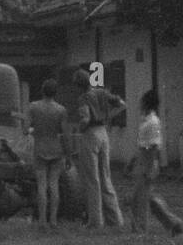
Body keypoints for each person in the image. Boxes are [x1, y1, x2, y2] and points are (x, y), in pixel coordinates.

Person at [126, 88, 183, 238]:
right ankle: (173, 223)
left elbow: (153, 147)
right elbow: (142, 144)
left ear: (146, 103)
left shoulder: (152, 122)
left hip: (147, 160)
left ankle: (140, 230)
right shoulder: (146, 121)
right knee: (149, 197)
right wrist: (133, 161)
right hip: (143, 158)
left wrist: (150, 166)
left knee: (139, 198)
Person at [73, 68, 125, 230]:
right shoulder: (102, 93)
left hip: (90, 134)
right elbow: (122, 104)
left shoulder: (83, 98)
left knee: (92, 179)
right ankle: (115, 219)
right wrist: (108, 116)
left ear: (78, 85)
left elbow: (86, 118)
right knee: (106, 177)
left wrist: (79, 128)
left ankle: (96, 221)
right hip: (104, 133)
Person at [26, 79, 71, 230]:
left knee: (41, 185)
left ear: (42, 90)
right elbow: (65, 134)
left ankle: (42, 221)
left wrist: (33, 130)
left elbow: (26, 129)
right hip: (56, 149)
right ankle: (53, 220)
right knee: (54, 185)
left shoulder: (33, 107)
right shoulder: (61, 110)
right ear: (55, 92)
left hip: (40, 149)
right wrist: (68, 154)